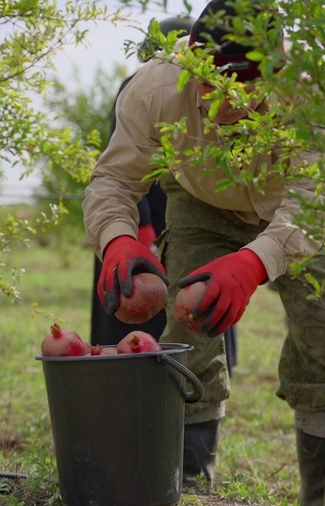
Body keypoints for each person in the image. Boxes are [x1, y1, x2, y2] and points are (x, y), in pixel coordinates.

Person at [82, 2, 325, 505]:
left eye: (241, 91)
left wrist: (253, 263)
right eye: (210, 87)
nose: (222, 104)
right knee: (188, 336)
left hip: (298, 210)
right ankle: (188, 487)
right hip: (202, 201)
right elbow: (114, 180)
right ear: (191, 58)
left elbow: (314, 202)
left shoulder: (313, 92)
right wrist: (118, 238)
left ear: (275, 69)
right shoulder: (154, 89)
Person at [89, 15, 240, 377]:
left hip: (187, 206)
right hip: (146, 214)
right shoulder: (140, 89)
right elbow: (120, 169)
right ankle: (138, 368)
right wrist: (137, 230)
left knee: (196, 292)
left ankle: (180, 371)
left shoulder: (219, 91)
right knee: (135, 291)